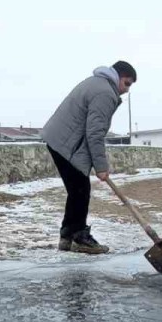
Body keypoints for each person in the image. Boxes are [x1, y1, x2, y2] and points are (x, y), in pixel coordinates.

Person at [42, 61, 137, 254]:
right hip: (67, 144)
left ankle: (68, 237)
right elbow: (95, 133)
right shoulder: (105, 93)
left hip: (60, 140)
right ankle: (79, 238)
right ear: (117, 76)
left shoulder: (96, 83)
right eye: (127, 83)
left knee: (77, 190)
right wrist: (101, 167)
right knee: (80, 190)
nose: (126, 90)